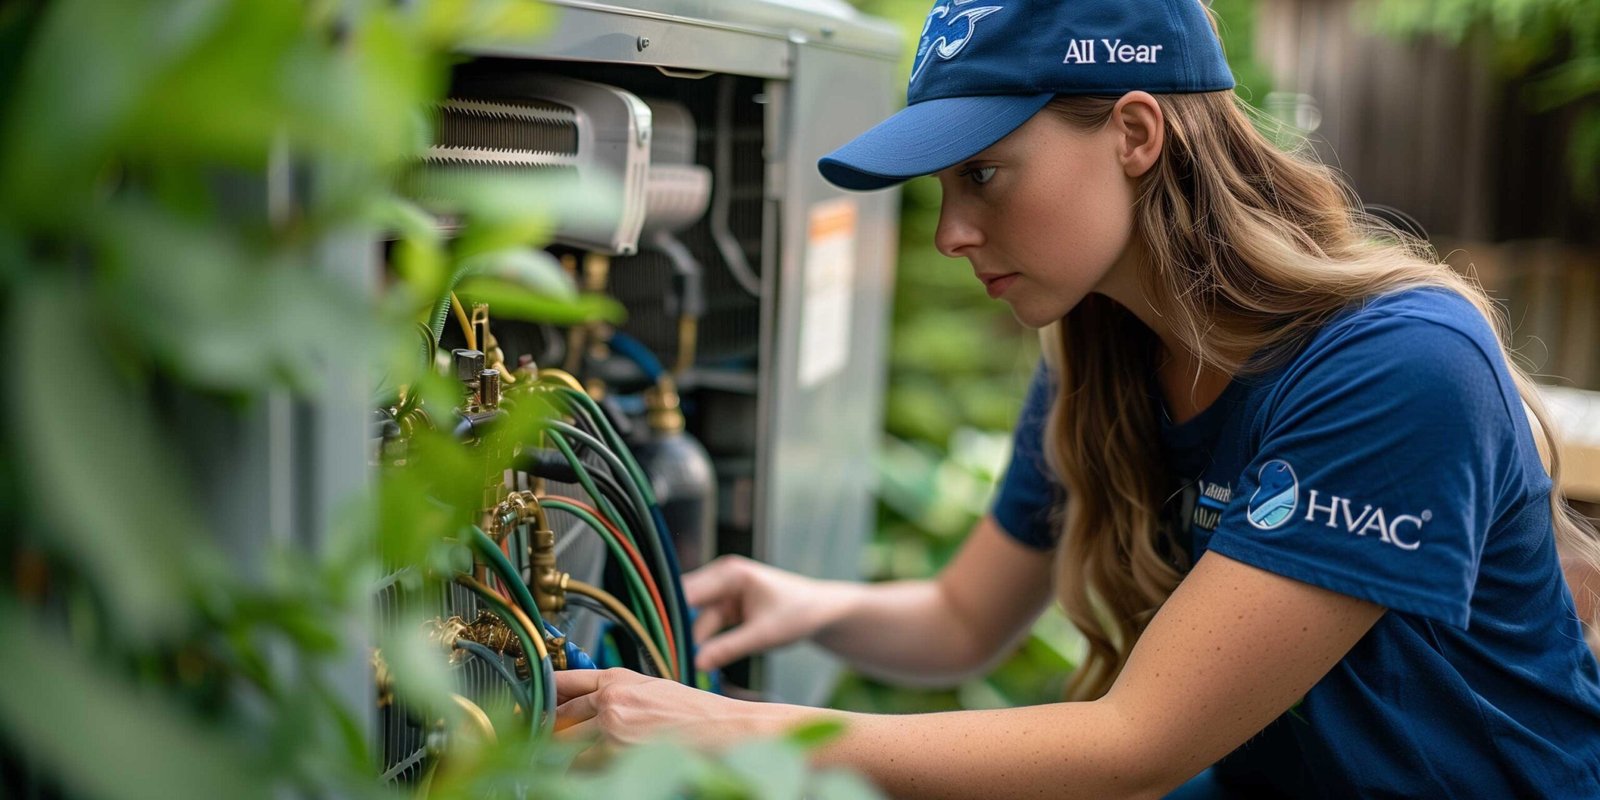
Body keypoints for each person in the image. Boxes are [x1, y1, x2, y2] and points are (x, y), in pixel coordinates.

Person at [553, 0, 1600, 795]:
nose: (949, 234)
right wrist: (801, 603)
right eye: (941, 190)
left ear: (1136, 133)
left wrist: (728, 728)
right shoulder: (1100, 354)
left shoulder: (1394, 364)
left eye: (985, 175)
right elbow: (964, 619)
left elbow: (1138, 740)